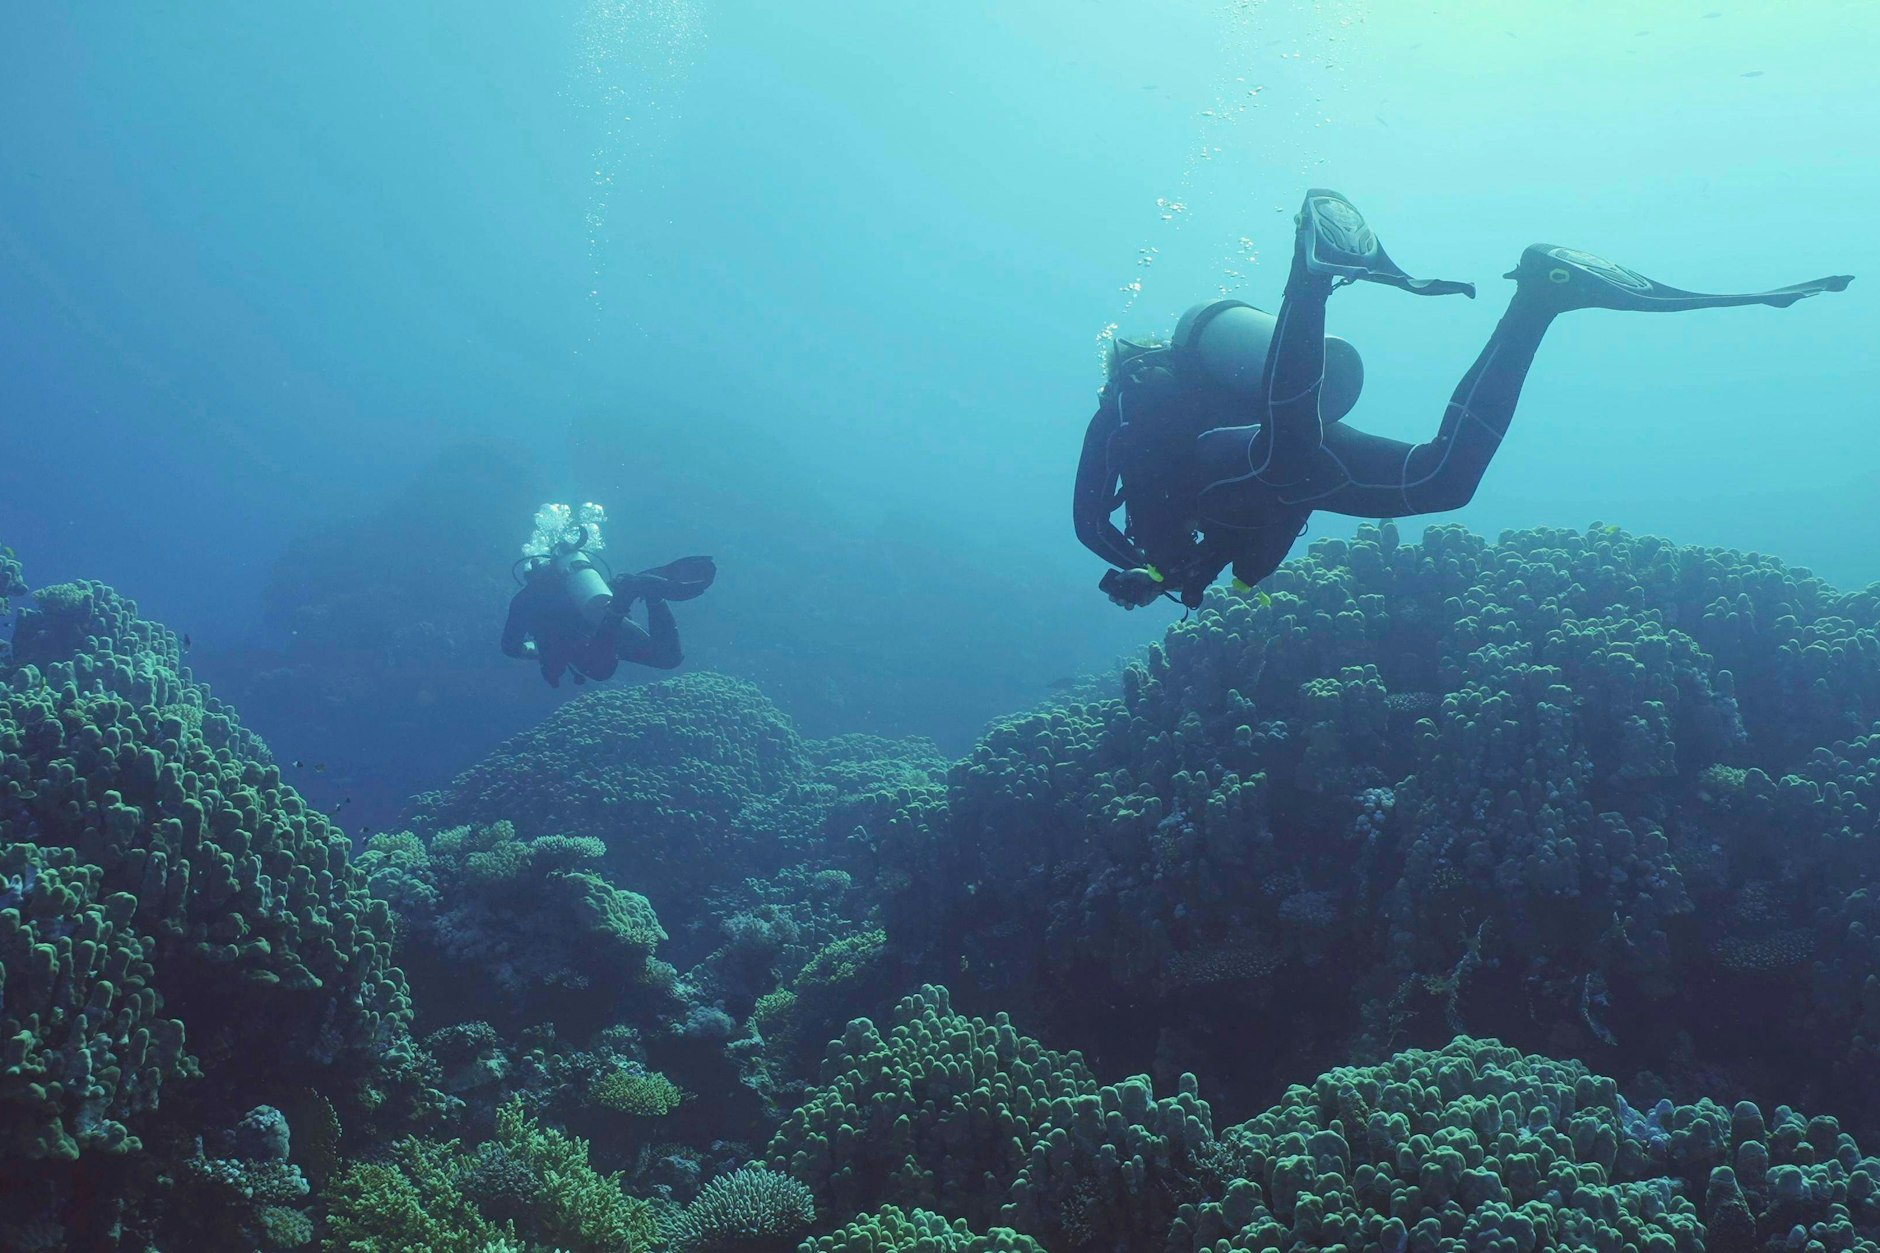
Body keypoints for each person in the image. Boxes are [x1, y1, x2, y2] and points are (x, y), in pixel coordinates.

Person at [1075, 188, 1853, 611]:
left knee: (1282, 459)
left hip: (1248, 446)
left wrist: (1142, 565)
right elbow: (1275, 525)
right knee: (1442, 483)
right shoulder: (1218, 559)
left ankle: (1310, 271)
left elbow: (1087, 521)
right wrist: (1219, 581)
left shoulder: (1129, 448)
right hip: (1290, 447)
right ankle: (1546, 296)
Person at [501, 523, 716, 687]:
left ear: (529, 576)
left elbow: (510, 648)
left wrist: (533, 650)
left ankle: (632, 593)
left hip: (591, 642)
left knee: (600, 670)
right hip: (603, 616)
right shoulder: (575, 582)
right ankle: (650, 593)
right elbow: (600, 594)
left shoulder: (523, 600)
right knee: (668, 657)